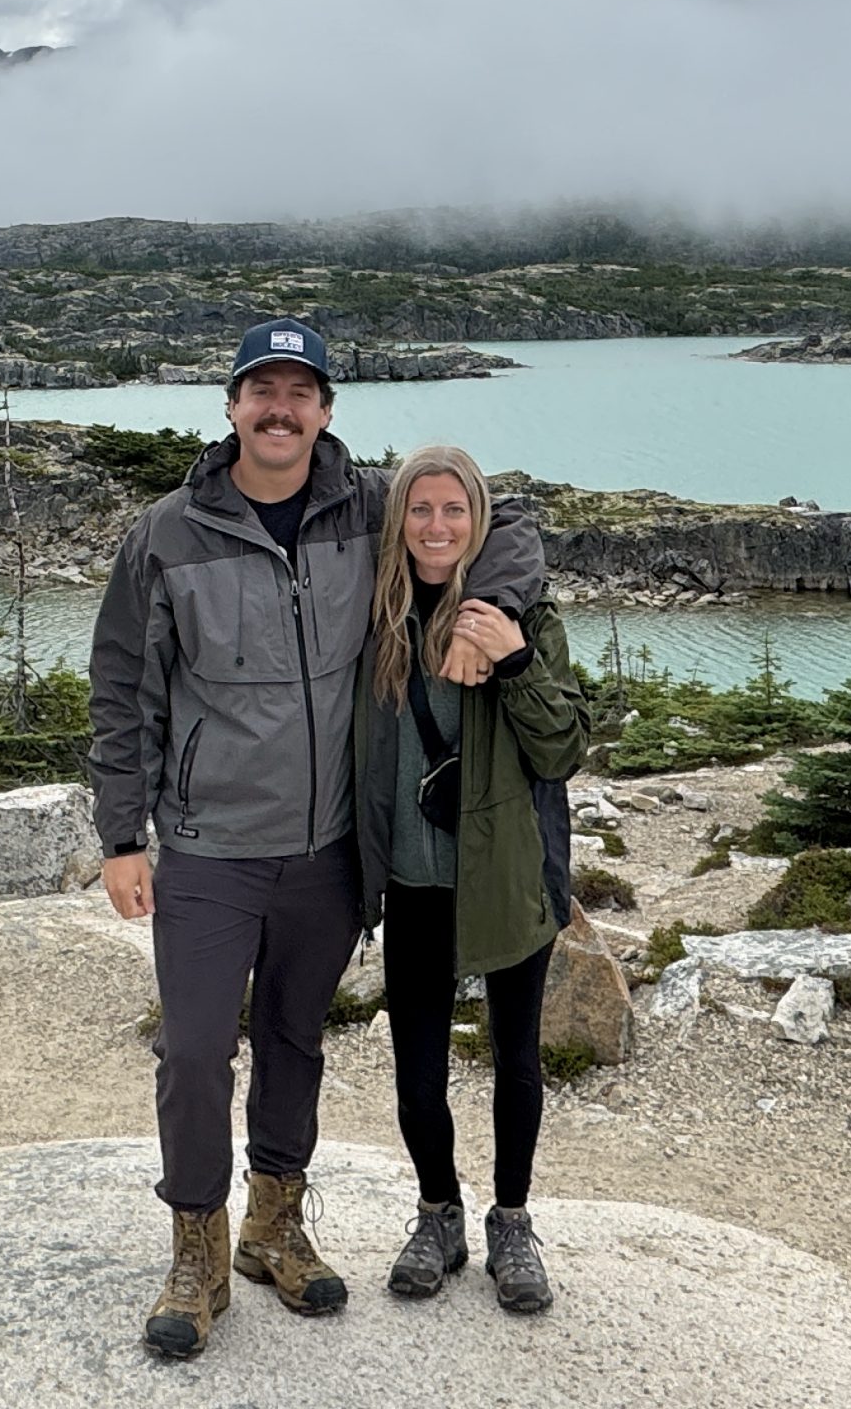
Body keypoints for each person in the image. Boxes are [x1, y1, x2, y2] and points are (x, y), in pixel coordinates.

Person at [87, 320, 547, 1360]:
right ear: (231, 405)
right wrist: (124, 833)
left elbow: (502, 518)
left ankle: (272, 1225)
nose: (281, 410)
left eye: (301, 392)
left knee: (296, 1039)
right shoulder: (166, 533)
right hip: (209, 845)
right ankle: (196, 1246)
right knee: (197, 1049)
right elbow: (122, 689)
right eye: (263, 391)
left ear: (327, 411)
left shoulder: (369, 506)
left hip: (334, 848)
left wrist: (488, 609)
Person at [354, 443, 586, 1315]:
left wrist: (516, 659)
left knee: (515, 1063)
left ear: (479, 521)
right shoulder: (377, 621)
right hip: (414, 879)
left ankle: (513, 1223)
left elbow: (563, 747)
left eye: (456, 511)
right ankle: (438, 1214)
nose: (438, 527)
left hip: (507, 876)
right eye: (421, 510)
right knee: (418, 1071)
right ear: (399, 521)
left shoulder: (521, 617)